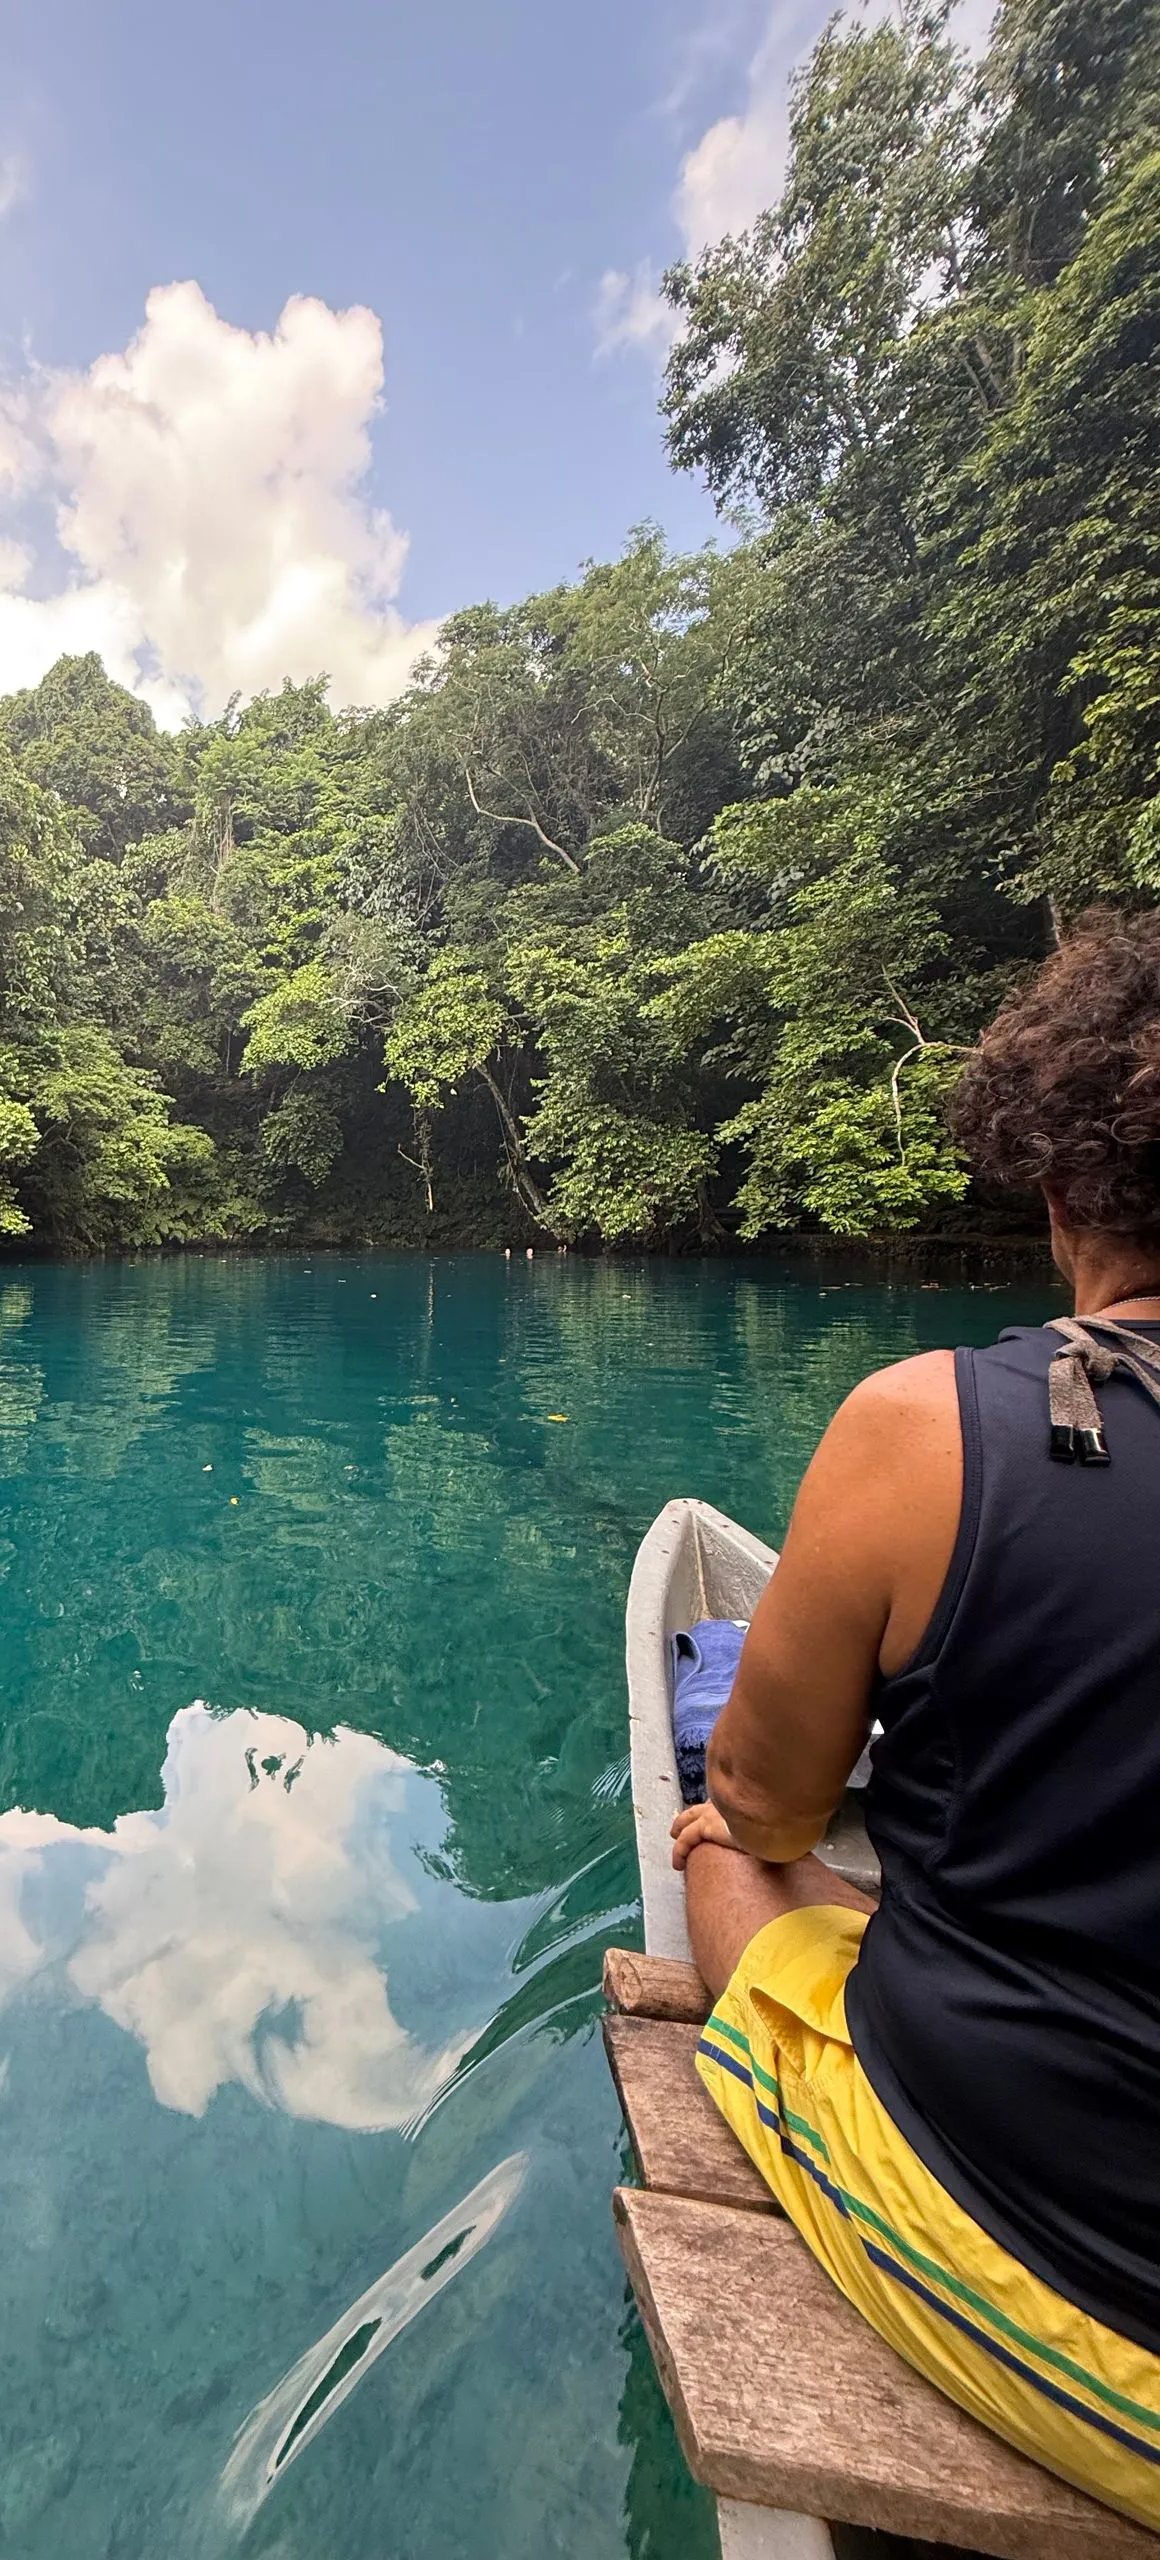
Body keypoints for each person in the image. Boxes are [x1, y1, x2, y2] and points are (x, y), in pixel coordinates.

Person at [670, 909, 1160, 2531]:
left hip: (1086, 2294)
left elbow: (768, 1804)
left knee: (722, 1848)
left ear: (1058, 1193)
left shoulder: (925, 1430)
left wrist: (750, 1829)